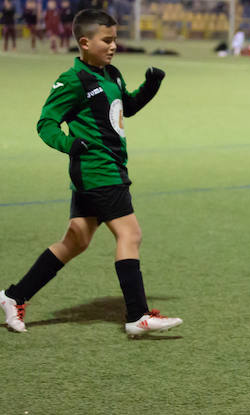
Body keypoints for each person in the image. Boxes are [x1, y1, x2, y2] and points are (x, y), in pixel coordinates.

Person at [0, 9, 182, 337]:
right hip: (98, 170)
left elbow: (126, 106)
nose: (114, 45)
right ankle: (137, 316)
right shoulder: (73, 80)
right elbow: (46, 123)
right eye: (107, 40)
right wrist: (69, 144)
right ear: (85, 42)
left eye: (115, 39)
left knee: (76, 240)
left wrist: (150, 86)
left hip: (108, 167)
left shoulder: (111, 73)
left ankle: (13, 296)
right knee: (130, 234)